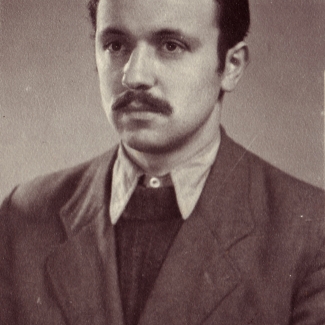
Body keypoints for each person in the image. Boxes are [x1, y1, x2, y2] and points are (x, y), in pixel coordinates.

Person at [0, 0, 324, 324]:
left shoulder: (310, 232)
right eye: (115, 45)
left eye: (171, 46)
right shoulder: (23, 217)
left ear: (231, 66)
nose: (134, 76)